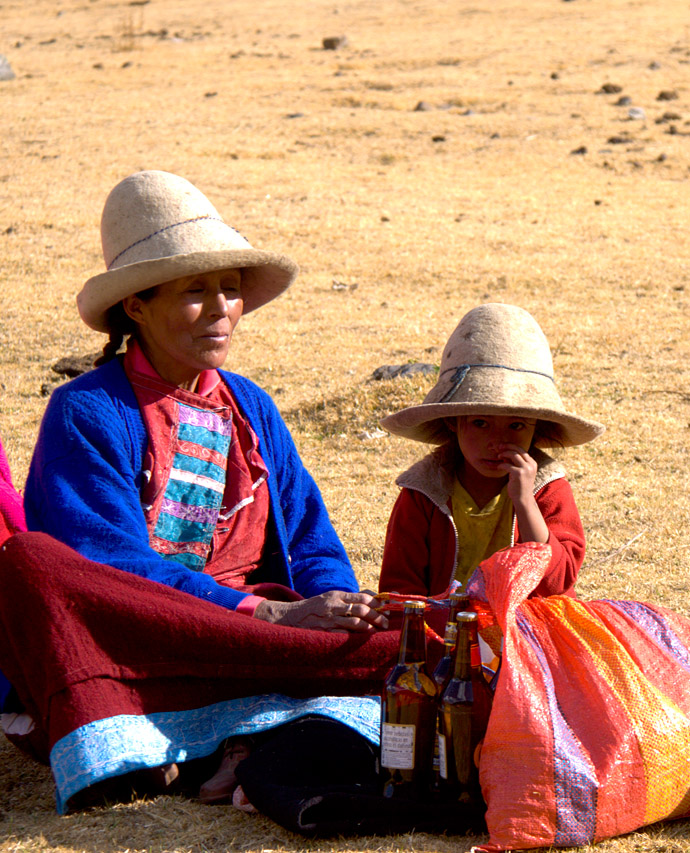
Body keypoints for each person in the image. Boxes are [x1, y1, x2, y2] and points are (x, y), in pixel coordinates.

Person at [2, 170, 396, 811]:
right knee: (30, 565)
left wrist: (335, 608)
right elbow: (110, 565)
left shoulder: (252, 407)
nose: (221, 310)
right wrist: (267, 616)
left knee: (410, 634)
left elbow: (308, 537)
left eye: (231, 290)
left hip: (258, 635)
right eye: (194, 291)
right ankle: (242, 734)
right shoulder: (87, 410)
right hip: (147, 633)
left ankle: (211, 746)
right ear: (137, 306)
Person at [378, 303, 603, 598]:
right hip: (442, 635)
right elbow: (400, 589)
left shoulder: (548, 490)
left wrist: (524, 502)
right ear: (452, 422)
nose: (496, 441)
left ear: (538, 428)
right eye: (481, 422)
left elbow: (556, 583)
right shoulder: (424, 493)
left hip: (528, 635)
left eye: (517, 425)